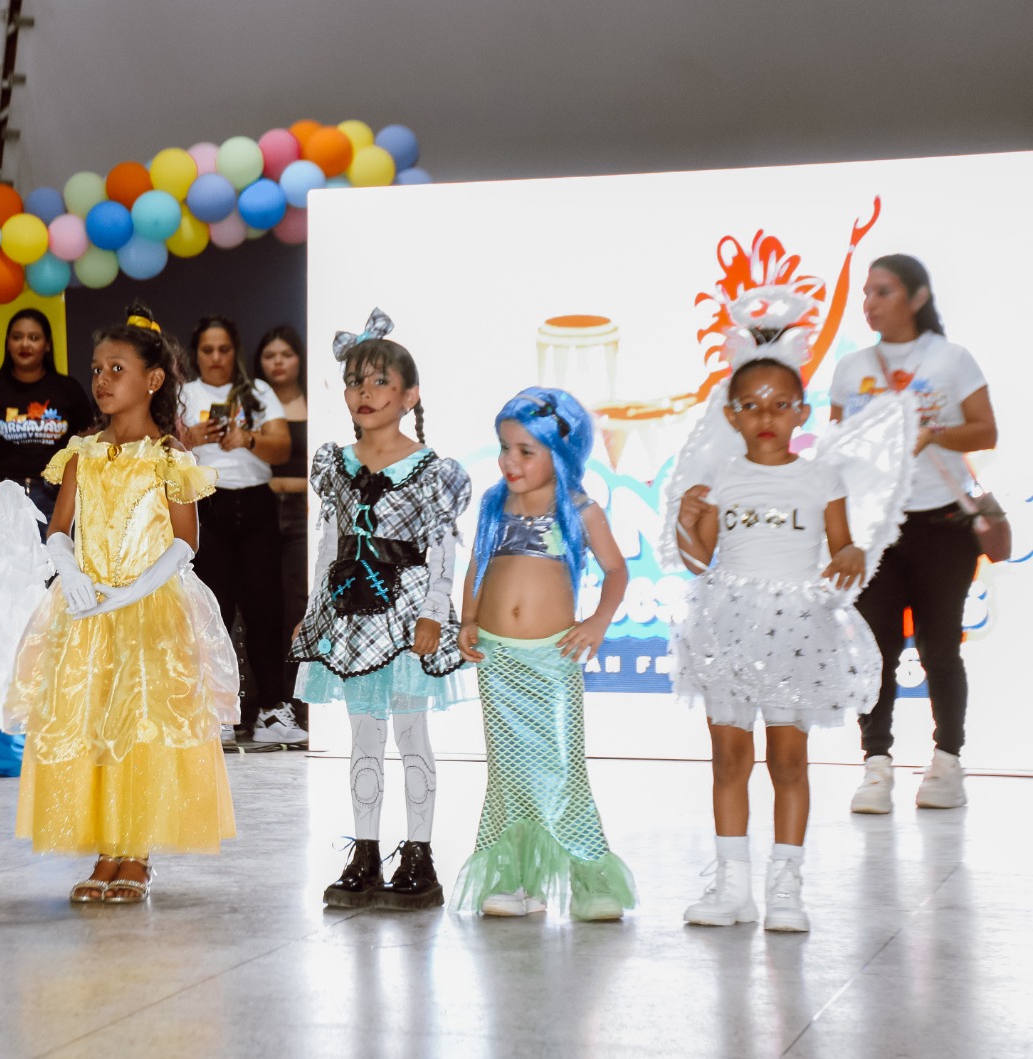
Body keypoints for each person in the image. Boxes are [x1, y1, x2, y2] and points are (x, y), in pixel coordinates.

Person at [668, 298, 905, 933]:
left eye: (780, 404)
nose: (766, 416)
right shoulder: (722, 477)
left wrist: (852, 549)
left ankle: (786, 886)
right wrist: (688, 523)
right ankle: (731, 886)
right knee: (727, 756)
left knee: (789, 760)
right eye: (751, 405)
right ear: (731, 415)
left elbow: (842, 545)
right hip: (729, 623)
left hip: (795, 629)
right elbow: (701, 561)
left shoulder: (822, 476)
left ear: (801, 412)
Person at [5, 303, 239, 904]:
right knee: (92, 722)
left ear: (153, 380)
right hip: (86, 612)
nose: (102, 380)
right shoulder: (81, 452)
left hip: (147, 610)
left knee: (140, 724)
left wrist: (134, 590)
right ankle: (105, 848)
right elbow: (59, 527)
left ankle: (135, 852)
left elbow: (185, 540)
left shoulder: (168, 457)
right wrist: (68, 569)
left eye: (117, 368)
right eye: (96, 368)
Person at [291, 310, 471, 910]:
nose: (364, 393)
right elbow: (329, 543)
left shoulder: (430, 470)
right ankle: (364, 851)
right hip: (350, 612)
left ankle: (418, 853)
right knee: (362, 737)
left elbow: (441, 549)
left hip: (405, 612)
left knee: (410, 732)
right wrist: (313, 607)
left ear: (409, 395)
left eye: (379, 382)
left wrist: (434, 614)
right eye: (354, 382)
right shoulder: (335, 464)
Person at [450, 387, 636, 923]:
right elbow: (477, 567)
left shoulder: (578, 508)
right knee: (508, 773)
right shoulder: (493, 504)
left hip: (551, 663)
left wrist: (599, 621)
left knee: (561, 769)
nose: (511, 461)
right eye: (505, 448)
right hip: (498, 661)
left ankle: (588, 878)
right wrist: (467, 619)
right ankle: (518, 879)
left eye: (526, 451)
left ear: (564, 452)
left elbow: (617, 571)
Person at [831, 255, 997, 814]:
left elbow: (987, 430)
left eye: (883, 291)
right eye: (867, 292)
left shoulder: (950, 358)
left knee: (939, 646)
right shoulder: (851, 367)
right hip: (875, 528)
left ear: (917, 297)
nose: (870, 302)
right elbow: (837, 446)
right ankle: (876, 767)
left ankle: (947, 762)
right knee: (872, 650)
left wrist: (931, 432)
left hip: (941, 525)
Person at [180, 315, 302, 745]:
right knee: (212, 611)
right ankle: (217, 712)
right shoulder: (184, 393)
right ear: (196, 353)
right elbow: (160, 447)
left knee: (266, 610)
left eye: (224, 349)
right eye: (208, 350)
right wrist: (191, 435)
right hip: (206, 505)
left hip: (255, 504)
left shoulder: (258, 392)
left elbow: (283, 447)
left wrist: (246, 439)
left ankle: (272, 710)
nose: (216, 358)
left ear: (235, 351)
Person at [0, 307, 95, 532]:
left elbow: (89, 442)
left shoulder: (69, 390)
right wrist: (3, 481)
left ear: (47, 345)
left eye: (34, 338)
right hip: (2, 496)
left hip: (57, 497)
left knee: (56, 564)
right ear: (8, 343)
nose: (25, 344)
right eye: (17, 337)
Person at [256, 325, 311, 735]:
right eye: (269, 355)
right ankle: (263, 706)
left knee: (298, 607)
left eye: (286, 354)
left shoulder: (319, 400)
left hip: (303, 513)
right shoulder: (251, 403)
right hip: (256, 511)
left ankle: (299, 704)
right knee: (261, 609)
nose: (278, 362)